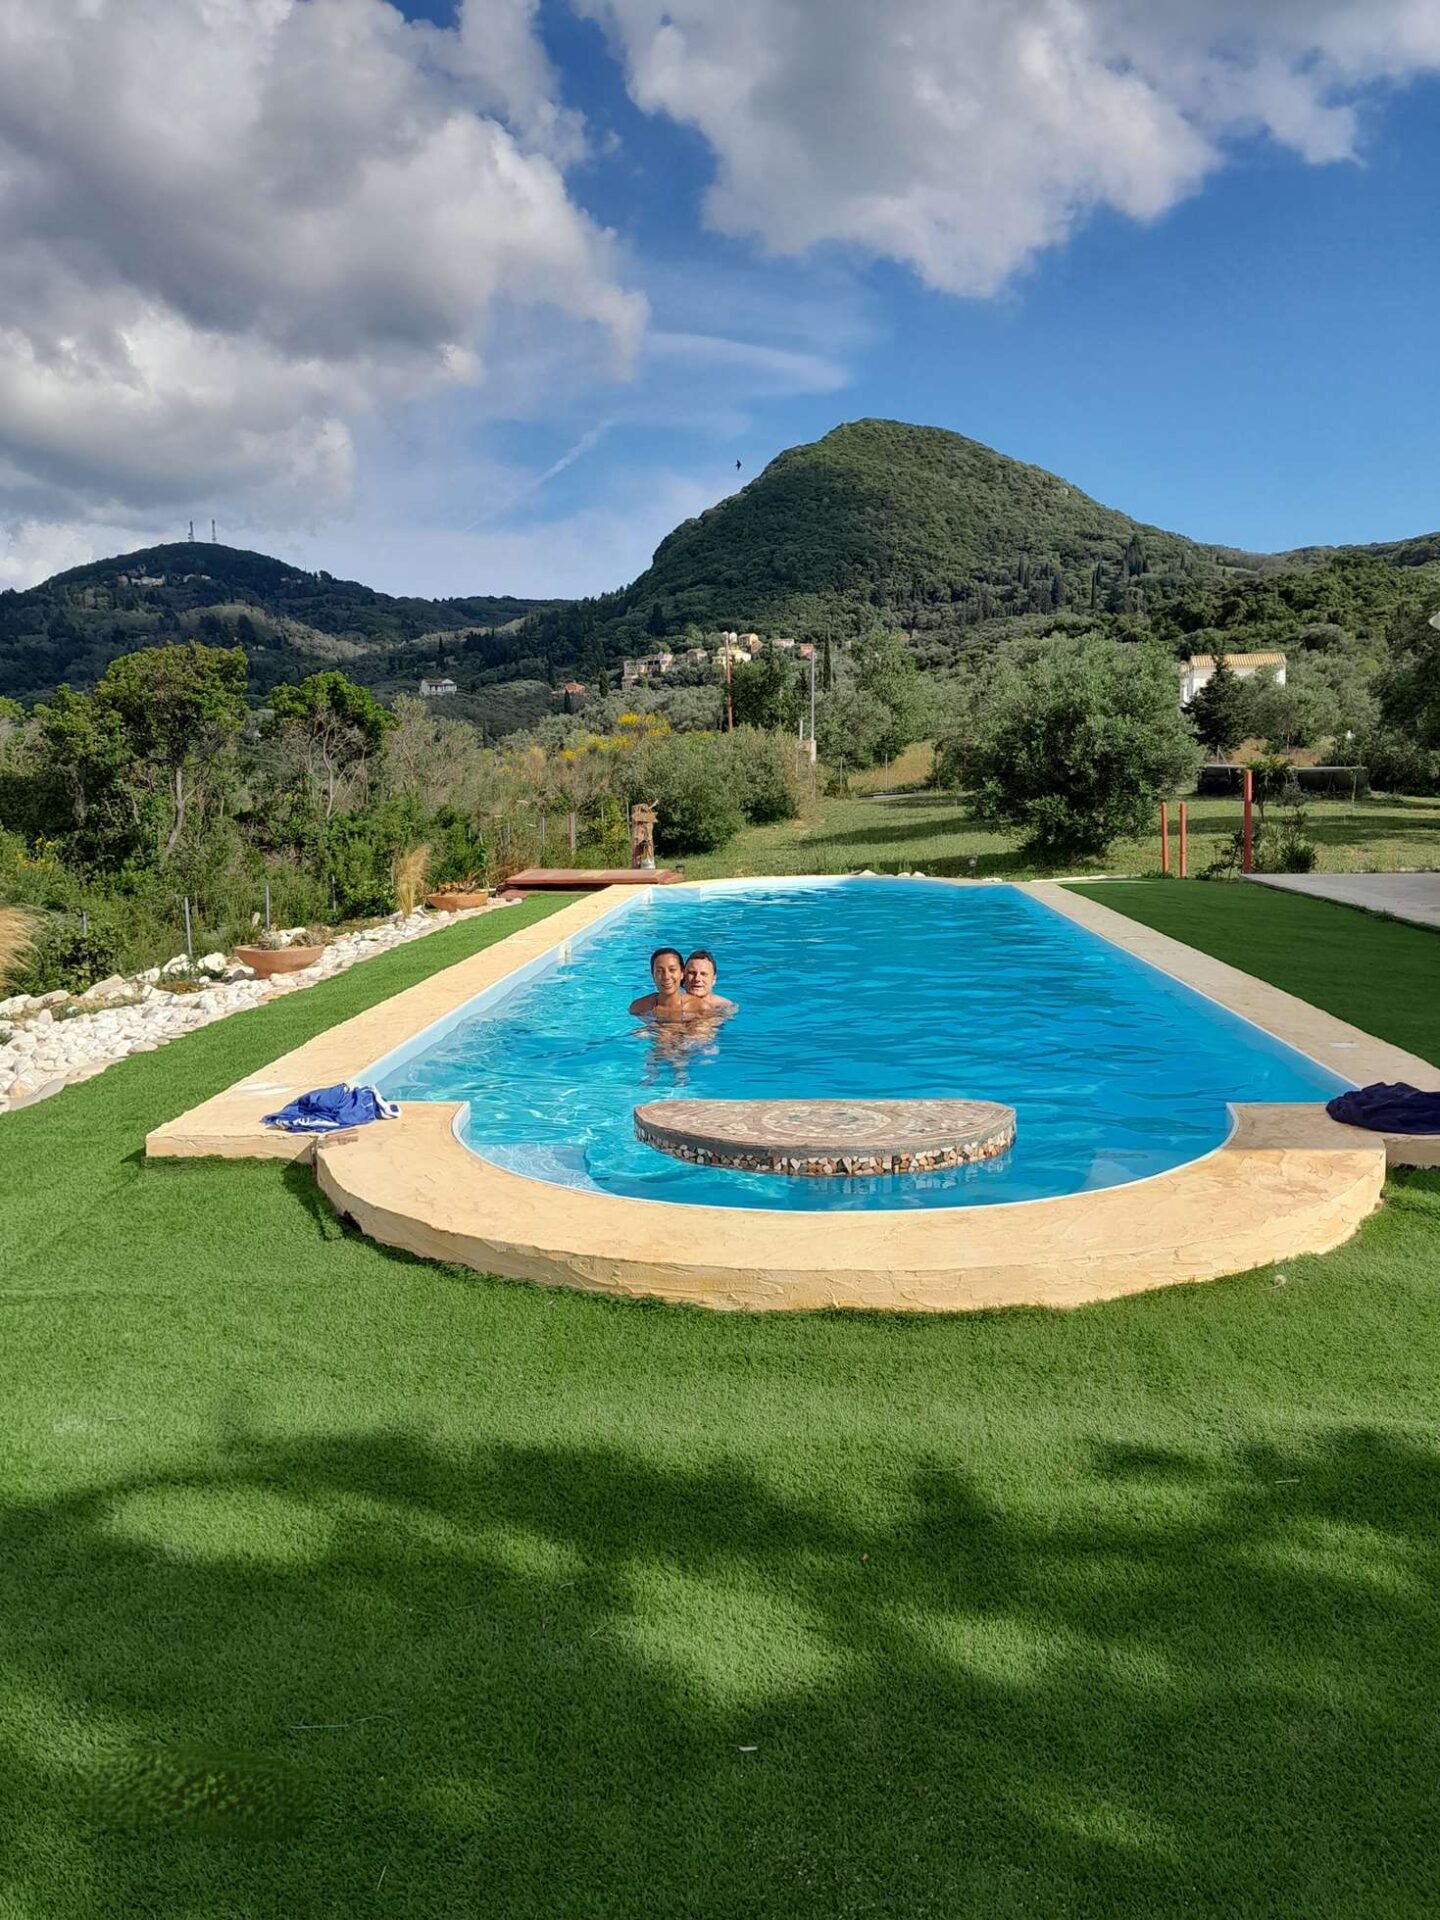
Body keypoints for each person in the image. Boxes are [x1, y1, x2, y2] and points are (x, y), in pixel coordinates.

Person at [629, 947, 686, 1019]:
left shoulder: (698, 1008)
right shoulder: (638, 1008)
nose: (666, 977)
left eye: (672, 970)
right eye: (659, 971)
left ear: (682, 973)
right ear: (653, 975)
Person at [682, 948, 736, 1018]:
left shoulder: (724, 1007)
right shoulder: (670, 1003)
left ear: (713, 979)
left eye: (703, 974)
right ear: (683, 976)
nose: (697, 979)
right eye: (692, 973)